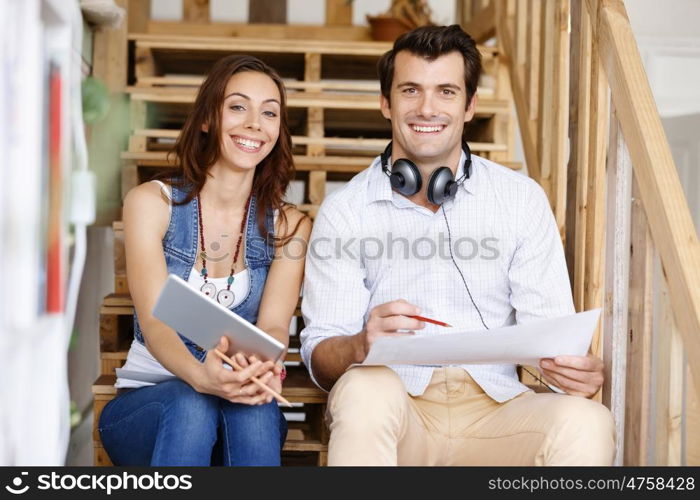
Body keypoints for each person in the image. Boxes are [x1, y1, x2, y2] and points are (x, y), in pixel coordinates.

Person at [300, 25, 615, 466]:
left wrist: (572, 373)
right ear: (385, 103)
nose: (427, 107)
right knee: (365, 389)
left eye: (446, 91)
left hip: (498, 411)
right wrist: (357, 346)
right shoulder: (345, 210)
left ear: (470, 107)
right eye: (410, 90)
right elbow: (319, 353)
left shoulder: (520, 199)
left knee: (587, 420)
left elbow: (552, 334)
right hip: (395, 408)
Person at [99, 55, 311, 466]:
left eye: (269, 113)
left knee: (253, 411)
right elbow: (157, 322)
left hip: (237, 403)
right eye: (237, 106)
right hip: (150, 405)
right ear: (206, 119)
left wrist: (263, 365)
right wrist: (201, 377)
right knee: (192, 403)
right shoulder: (151, 204)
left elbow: (271, 327)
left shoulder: (291, 226)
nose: (254, 123)